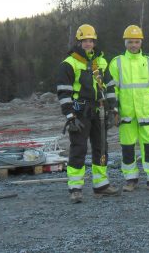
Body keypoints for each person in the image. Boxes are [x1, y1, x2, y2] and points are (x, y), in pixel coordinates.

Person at [56, 24, 119, 203]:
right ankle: (75, 188)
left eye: (91, 40)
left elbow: (110, 86)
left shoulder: (101, 62)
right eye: (85, 41)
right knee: (79, 148)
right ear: (79, 42)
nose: (88, 44)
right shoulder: (69, 63)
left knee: (101, 148)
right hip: (79, 113)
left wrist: (112, 108)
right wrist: (69, 116)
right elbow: (63, 92)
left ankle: (101, 185)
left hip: (99, 110)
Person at [108, 25, 149, 193]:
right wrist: (114, 111)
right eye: (130, 42)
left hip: (145, 114)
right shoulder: (117, 63)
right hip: (126, 114)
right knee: (127, 148)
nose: (133, 45)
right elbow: (112, 90)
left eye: (136, 42)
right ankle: (130, 180)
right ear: (125, 42)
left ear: (141, 42)